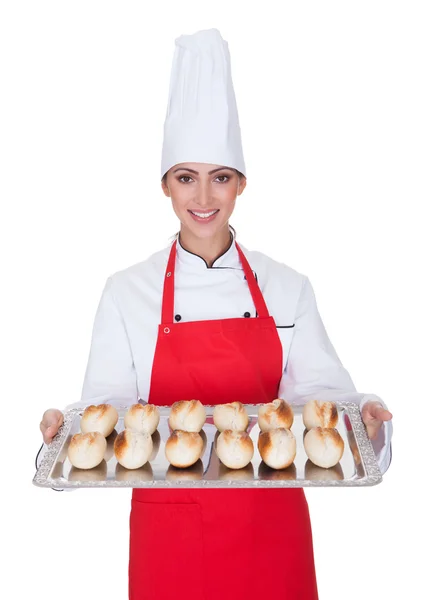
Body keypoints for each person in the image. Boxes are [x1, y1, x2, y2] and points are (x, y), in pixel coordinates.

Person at [38, 28, 393, 600]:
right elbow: (108, 418)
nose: (203, 197)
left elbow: (325, 404)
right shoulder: (126, 292)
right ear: (165, 186)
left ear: (241, 184)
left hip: (271, 533)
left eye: (220, 177)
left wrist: (367, 427)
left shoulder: (287, 287)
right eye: (186, 178)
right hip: (169, 538)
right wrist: (66, 429)